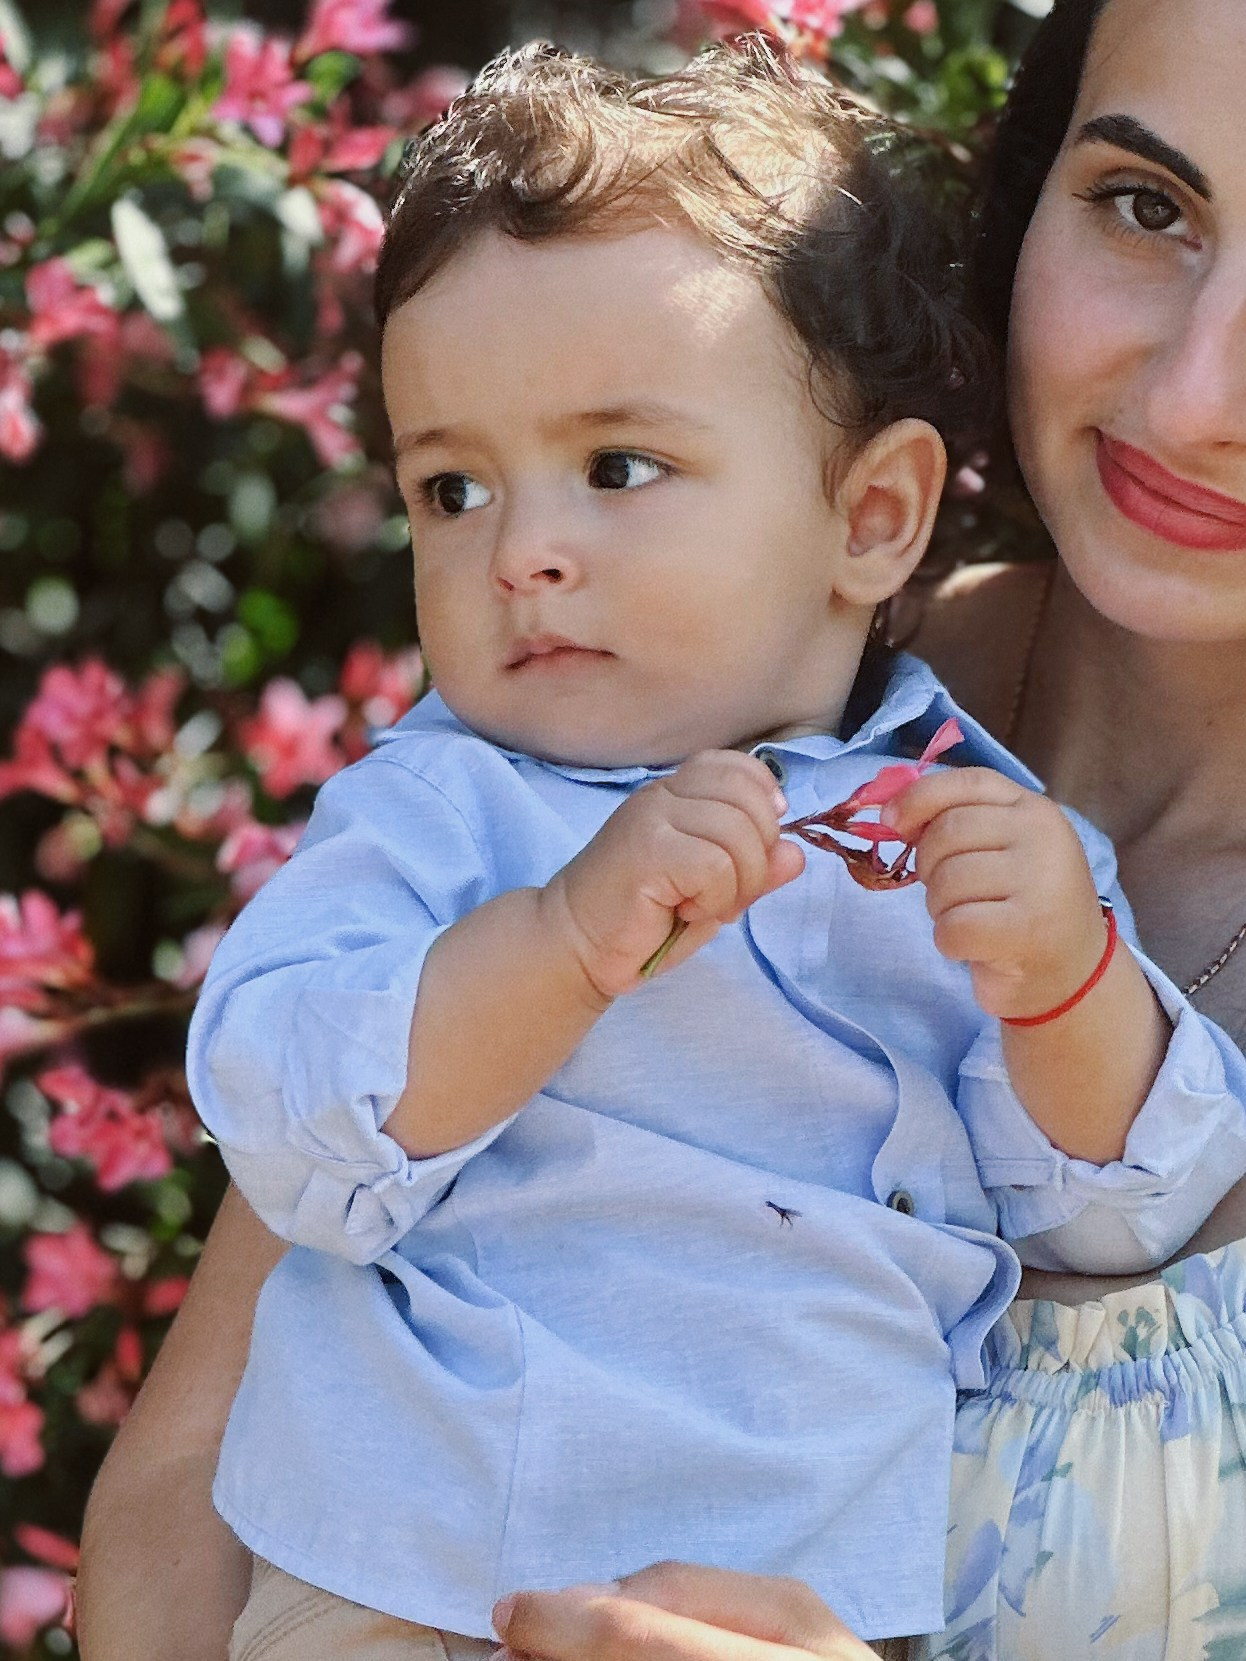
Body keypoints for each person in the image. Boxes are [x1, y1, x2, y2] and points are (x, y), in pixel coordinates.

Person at [74, 1, 1246, 1657]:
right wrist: (554, 942)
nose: (1199, 393)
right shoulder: (532, 768)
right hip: (414, 1582)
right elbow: (225, 1359)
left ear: (871, 513)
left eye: (617, 465)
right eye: (1142, 204)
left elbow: (1117, 1185)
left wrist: (1063, 983)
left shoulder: (978, 845)